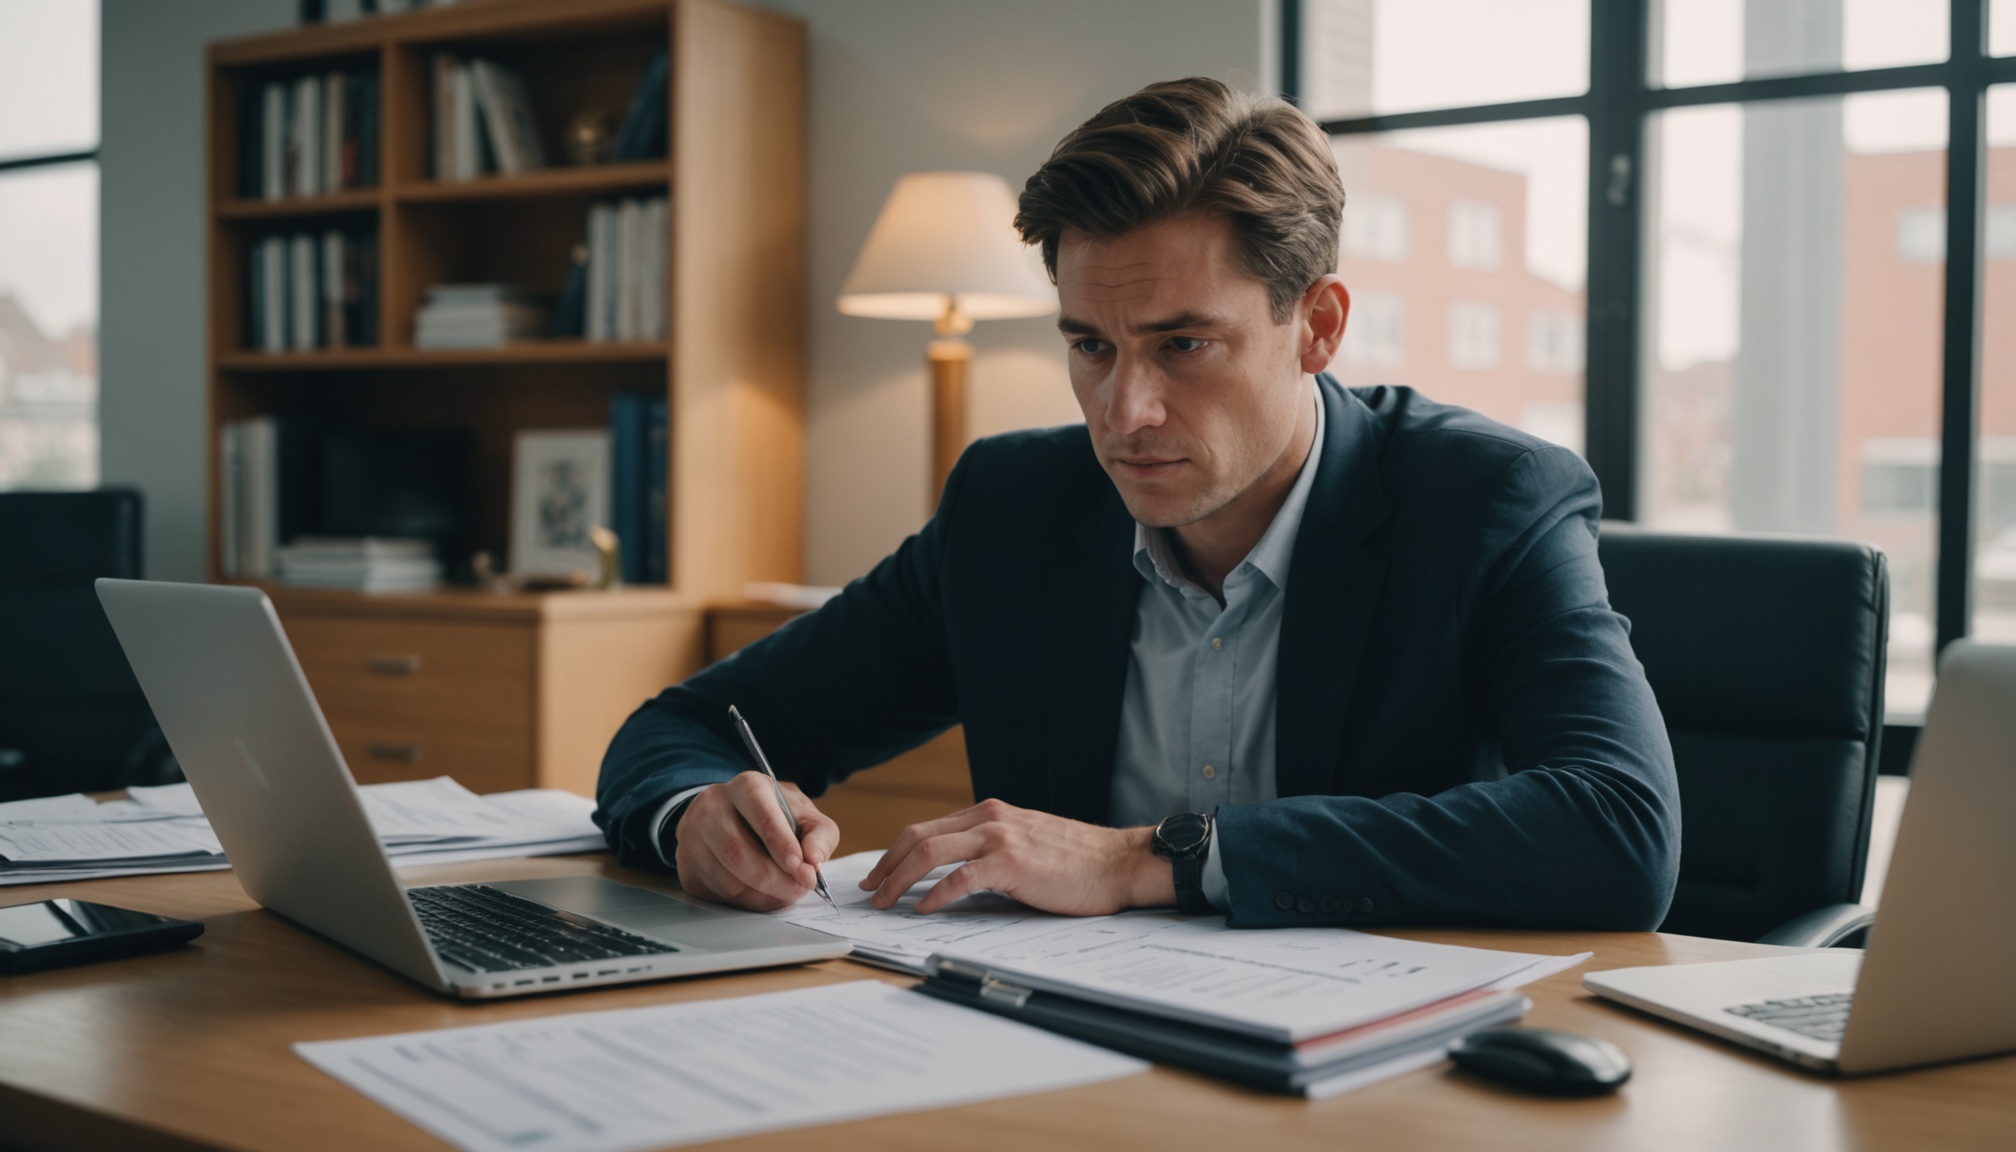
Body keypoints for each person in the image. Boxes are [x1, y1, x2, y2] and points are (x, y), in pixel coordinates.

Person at [594, 77, 1680, 930]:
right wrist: (696, 815)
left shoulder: (1488, 500)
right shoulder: (1013, 508)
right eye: (1090, 346)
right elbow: (684, 727)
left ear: (1318, 326)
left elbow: (1618, 833)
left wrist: (1143, 859)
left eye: (1184, 345)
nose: (1127, 411)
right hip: (1058, 1052)